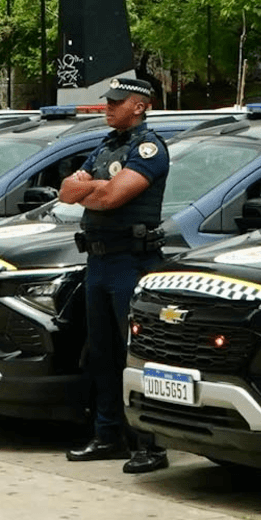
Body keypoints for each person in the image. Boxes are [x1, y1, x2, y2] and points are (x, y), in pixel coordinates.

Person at [60, 75, 170, 474]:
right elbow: (64, 192)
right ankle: (108, 434)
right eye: (107, 100)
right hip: (99, 261)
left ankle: (149, 444)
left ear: (140, 105)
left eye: (117, 101)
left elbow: (109, 196)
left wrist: (93, 188)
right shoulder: (106, 145)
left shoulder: (149, 147)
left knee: (136, 356)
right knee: (102, 353)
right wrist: (91, 188)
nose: (108, 106)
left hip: (130, 262)